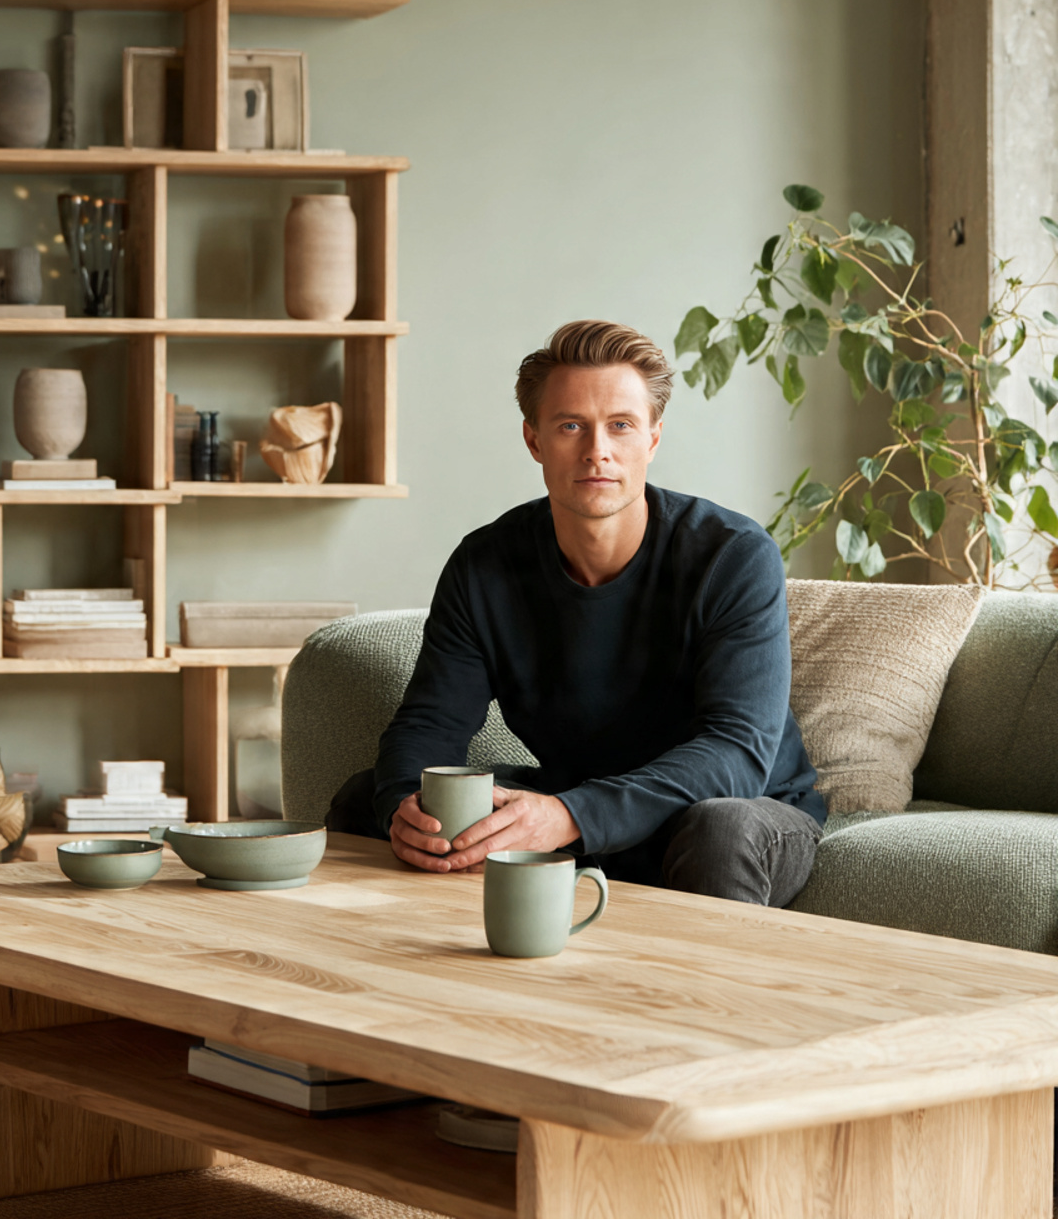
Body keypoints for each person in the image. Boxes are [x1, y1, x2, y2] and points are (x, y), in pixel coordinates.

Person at [327, 319, 825, 907]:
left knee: (721, 828)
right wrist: (407, 808)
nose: (598, 451)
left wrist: (568, 814)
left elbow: (735, 752)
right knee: (369, 798)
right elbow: (430, 725)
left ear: (653, 439)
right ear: (534, 440)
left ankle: (710, 1001)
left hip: (741, 810)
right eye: (571, 426)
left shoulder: (732, 556)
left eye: (621, 426)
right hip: (579, 799)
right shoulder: (485, 564)